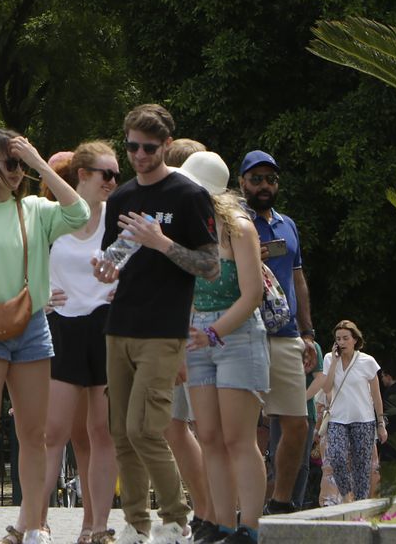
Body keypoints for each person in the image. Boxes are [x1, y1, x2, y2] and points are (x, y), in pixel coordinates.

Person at [0, 128, 90, 544]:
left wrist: (41, 163)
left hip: (31, 328)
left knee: (34, 434)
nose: (17, 171)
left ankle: (37, 525)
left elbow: (79, 213)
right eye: (10, 163)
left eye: (21, 163)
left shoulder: (35, 210)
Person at [91, 103, 218, 544]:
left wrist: (162, 243)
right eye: (132, 147)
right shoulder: (121, 197)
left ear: (166, 145)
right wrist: (105, 270)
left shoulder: (188, 195)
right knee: (121, 433)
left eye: (148, 147)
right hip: (120, 324)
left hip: (164, 330)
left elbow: (210, 266)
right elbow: (114, 259)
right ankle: (136, 523)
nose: (139, 155)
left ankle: (177, 520)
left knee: (145, 429)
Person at [178, 151, 269, 544]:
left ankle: (250, 527)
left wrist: (213, 332)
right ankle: (222, 523)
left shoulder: (240, 229)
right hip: (196, 335)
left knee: (238, 438)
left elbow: (252, 295)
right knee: (209, 436)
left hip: (237, 335)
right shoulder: (186, 230)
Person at [39, 143, 120, 544]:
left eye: (117, 175)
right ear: (82, 175)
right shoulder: (51, 217)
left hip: (105, 325)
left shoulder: (117, 218)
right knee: (55, 432)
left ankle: (96, 525)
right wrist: (38, 295)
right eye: (106, 174)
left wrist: (126, 291)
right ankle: (35, 522)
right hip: (63, 327)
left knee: (100, 431)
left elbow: (140, 265)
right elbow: (21, 262)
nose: (113, 182)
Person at [241, 149, 319, 516]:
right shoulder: (235, 221)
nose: (264, 186)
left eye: (270, 179)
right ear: (242, 182)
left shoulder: (288, 225)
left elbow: (298, 279)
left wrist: (308, 332)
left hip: (286, 334)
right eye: (256, 179)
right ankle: (240, 507)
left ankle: (281, 502)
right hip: (243, 332)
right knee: (241, 429)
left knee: (298, 424)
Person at [161, 140, 212, 535]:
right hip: (191, 327)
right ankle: (207, 509)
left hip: (187, 328)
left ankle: (208, 509)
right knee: (184, 427)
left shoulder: (185, 212)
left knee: (187, 427)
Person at [307, 320, 386, 505]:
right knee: (336, 457)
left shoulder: (367, 361)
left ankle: (359, 505)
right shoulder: (329, 359)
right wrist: (334, 363)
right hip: (337, 419)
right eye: (338, 339)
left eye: (345, 338)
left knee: (361, 467)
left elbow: (376, 395)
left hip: (363, 420)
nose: (341, 342)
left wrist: (381, 423)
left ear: (355, 340)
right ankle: (346, 495)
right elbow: (327, 388)